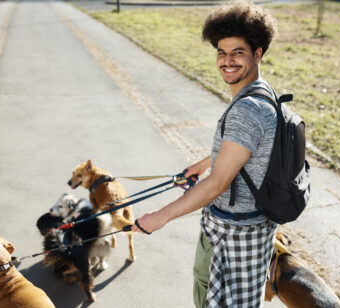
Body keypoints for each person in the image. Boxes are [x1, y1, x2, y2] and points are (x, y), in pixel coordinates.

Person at [131, 1, 279, 306]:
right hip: (256, 228)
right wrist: (201, 164)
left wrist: (161, 217)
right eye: (221, 52)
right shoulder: (264, 93)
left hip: (232, 234)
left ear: (258, 53)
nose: (227, 61)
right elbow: (242, 151)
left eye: (238, 52)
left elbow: (219, 183)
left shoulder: (247, 110)